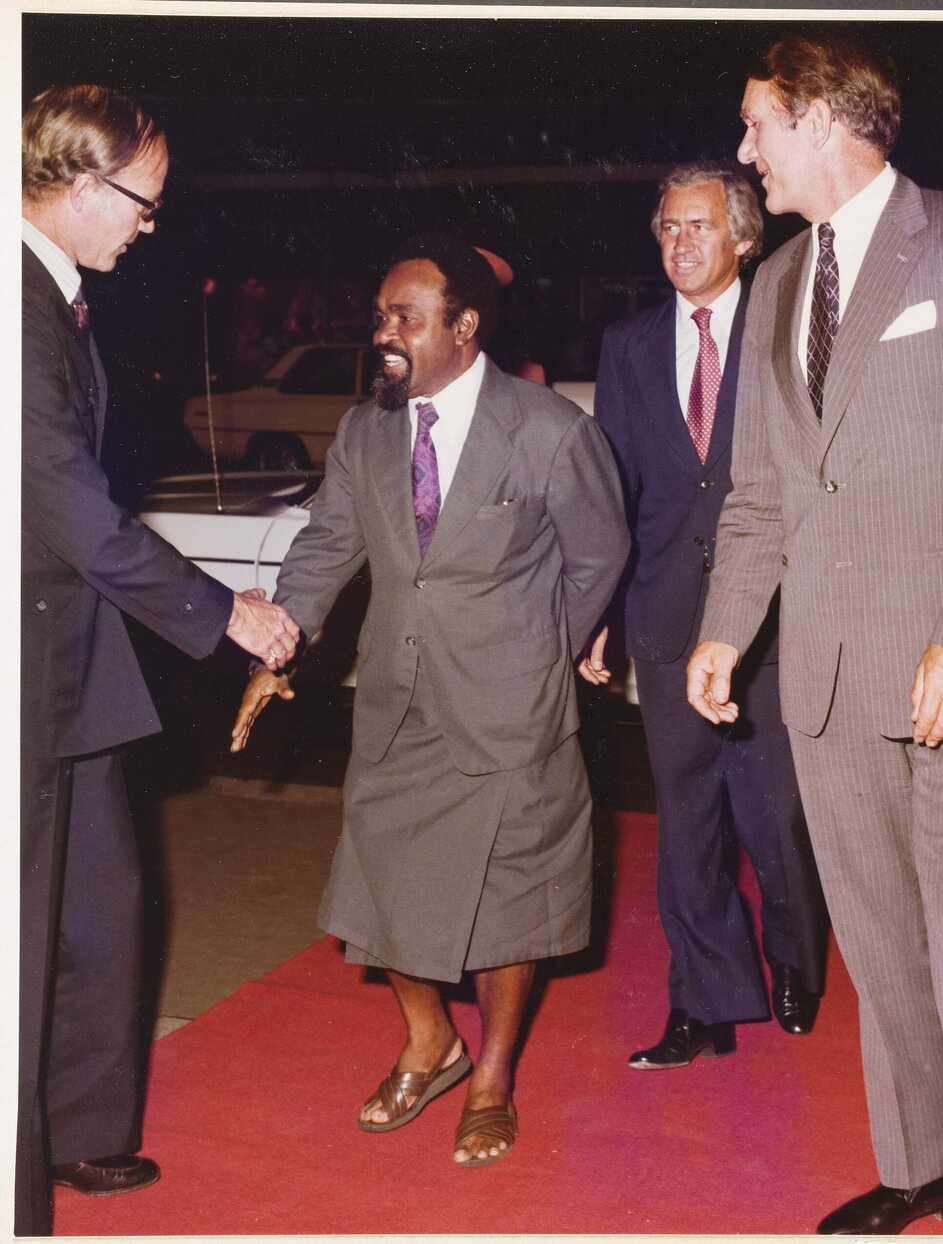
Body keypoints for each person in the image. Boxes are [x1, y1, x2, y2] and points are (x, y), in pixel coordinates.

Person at [231, 233, 629, 1168]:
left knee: (509, 900)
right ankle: (429, 1041)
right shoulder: (366, 431)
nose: (385, 334)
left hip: (509, 710)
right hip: (398, 699)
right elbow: (329, 546)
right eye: (380, 316)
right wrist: (279, 641)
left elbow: (599, 554)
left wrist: (544, 651)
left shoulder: (548, 429)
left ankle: (491, 1077)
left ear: (464, 326)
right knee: (382, 885)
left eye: (405, 318)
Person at [686, 35, 943, 1234]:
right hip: (825, 675)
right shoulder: (776, 282)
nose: (744, 148)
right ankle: (926, 1161)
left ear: (817, 119)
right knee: (880, 940)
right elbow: (761, 490)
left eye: (757, 124)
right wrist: (724, 630)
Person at [21, 84, 300, 1236]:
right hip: (25, 673)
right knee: (24, 933)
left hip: (72, 668)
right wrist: (221, 610)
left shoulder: (56, 294)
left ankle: (82, 1128)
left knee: (103, 905)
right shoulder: (15, 303)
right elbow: (68, 511)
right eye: (143, 201)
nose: (150, 223)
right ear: (84, 184)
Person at [579, 161, 826, 1071]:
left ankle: (795, 960)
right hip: (666, 611)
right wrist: (601, 609)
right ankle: (704, 1003)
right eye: (668, 228)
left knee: (776, 812)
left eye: (699, 226)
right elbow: (615, 491)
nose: (679, 244)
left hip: (771, 616)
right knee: (685, 818)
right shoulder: (629, 344)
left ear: (745, 238)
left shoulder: (788, 327)